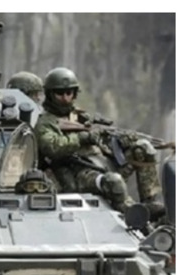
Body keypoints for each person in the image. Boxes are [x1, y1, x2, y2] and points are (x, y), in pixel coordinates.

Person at [34, 67, 139, 213]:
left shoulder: (81, 117)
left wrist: (119, 142)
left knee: (142, 148)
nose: (65, 98)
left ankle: (150, 203)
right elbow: (51, 146)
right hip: (77, 172)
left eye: (69, 93)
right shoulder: (45, 122)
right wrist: (81, 138)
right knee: (113, 181)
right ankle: (129, 214)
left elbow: (102, 144)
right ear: (50, 94)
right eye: (60, 93)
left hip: (101, 163)